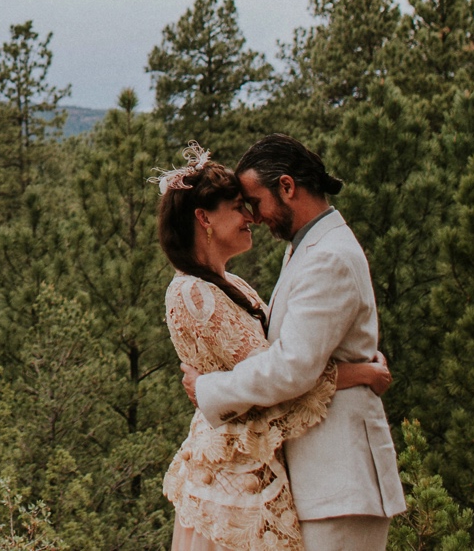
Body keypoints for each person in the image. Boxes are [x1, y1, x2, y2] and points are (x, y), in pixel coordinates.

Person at [157, 143, 393, 551]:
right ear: (203, 219)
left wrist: (208, 389)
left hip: (338, 480)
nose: (253, 215)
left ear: (287, 187)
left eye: (254, 202)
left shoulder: (324, 256)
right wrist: (360, 372)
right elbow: (285, 366)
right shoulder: (299, 252)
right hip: (261, 485)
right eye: (241, 206)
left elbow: (288, 368)